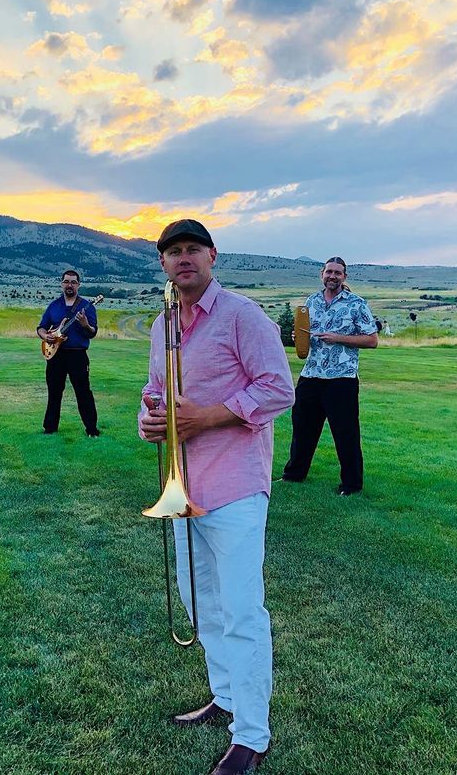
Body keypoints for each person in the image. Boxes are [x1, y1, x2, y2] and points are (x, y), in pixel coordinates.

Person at [138, 219, 294, 775]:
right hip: (185, 487)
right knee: (201, 602)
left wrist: (207, 417)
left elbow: (279, 388)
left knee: (242, 610)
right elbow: (155, 388)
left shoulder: (242, 316)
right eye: (173, 252)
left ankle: (251, 735)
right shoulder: (163, 323)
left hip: (234, 484)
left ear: (212, 257)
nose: (183, 259)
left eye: (193, 250)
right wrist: (150, 419)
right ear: (163, 264)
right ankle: (226, 698)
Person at [280, 256, 378, 495]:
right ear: (322, 274)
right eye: (329, 272)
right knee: (302, 429)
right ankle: (294, 475)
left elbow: (372, 340)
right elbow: (305, 333)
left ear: (344, 277)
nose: (332, 276)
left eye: (338, 273)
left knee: (345, 433)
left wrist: (338, 338)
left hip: (341, 378)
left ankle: (351, 485)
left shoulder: (356, 304)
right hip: (311, 375)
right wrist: (298, 338)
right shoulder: (311, 302)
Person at [36, 269, 100, 437]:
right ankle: (50, 427)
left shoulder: (87, 307)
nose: (69, 285)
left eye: (73, 282)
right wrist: (46, 336)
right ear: (61, 284)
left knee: (83, 391)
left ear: (78, 285)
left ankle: (91, 429)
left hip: (77, 355)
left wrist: (85, 324)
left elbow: (92, 332)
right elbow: (41, 327)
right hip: (56, 355)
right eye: (66, 281)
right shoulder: (54, 305)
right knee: (54, 391)